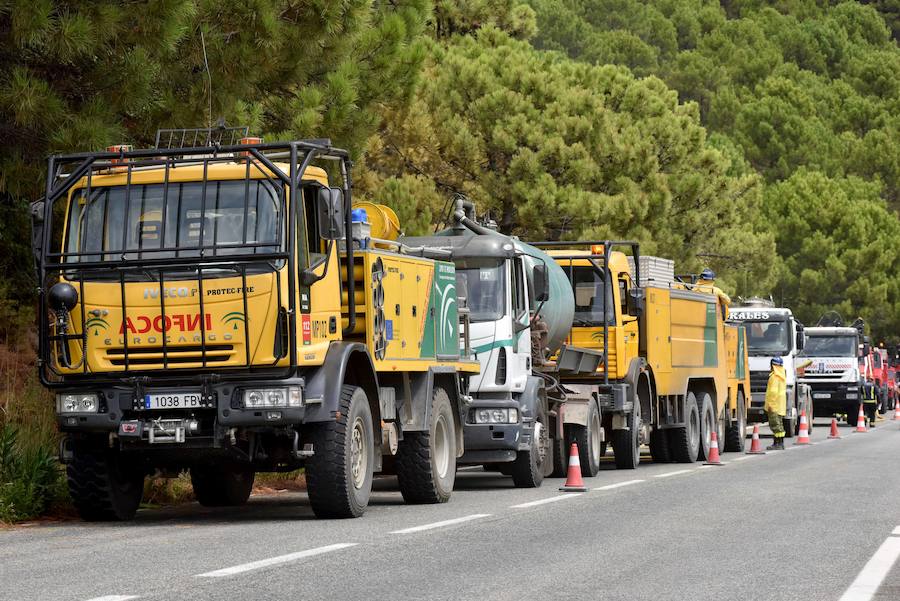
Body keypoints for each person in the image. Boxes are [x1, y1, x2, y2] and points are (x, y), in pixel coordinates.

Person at [764, 356, 787, 450]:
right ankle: (780, 442)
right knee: (779, 425)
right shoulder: (782, 376)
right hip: (780, 405)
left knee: (775, 425)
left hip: (774, 405)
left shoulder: (774, 377)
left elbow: (773, 392)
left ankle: (778, 443)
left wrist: (771, 405)